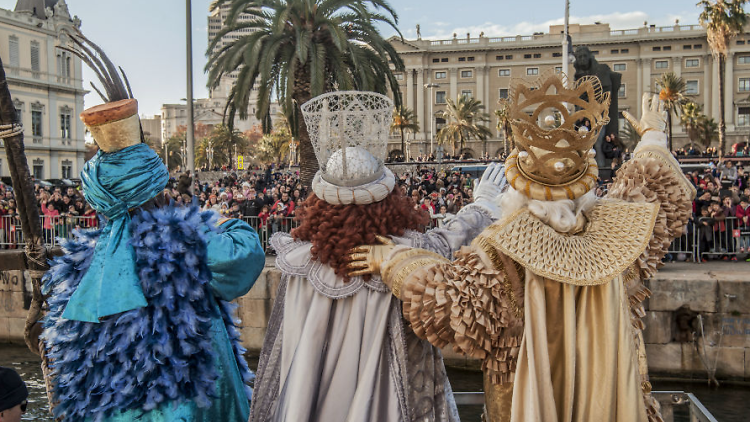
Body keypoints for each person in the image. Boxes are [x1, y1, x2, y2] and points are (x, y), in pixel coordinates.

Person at [350, 78, 695, 422]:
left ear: (517, 186)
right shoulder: (623, 230)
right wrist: (653, 136)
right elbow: (655, 190)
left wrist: (394, 261)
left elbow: (449, 304)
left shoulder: (501, 252)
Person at [249, 91, 506, 422]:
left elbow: (286, 356)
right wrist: (483, 203)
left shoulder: (300, 263)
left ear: (320, 202)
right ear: (388, 198)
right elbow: (451, 239)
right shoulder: (408, 255)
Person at [41, 97, 265, 422]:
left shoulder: (84, 265)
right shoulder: (184, 243)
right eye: (163, 188)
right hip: (190, 405)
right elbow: (244, 255)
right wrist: (220, 222)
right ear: (155, 194)